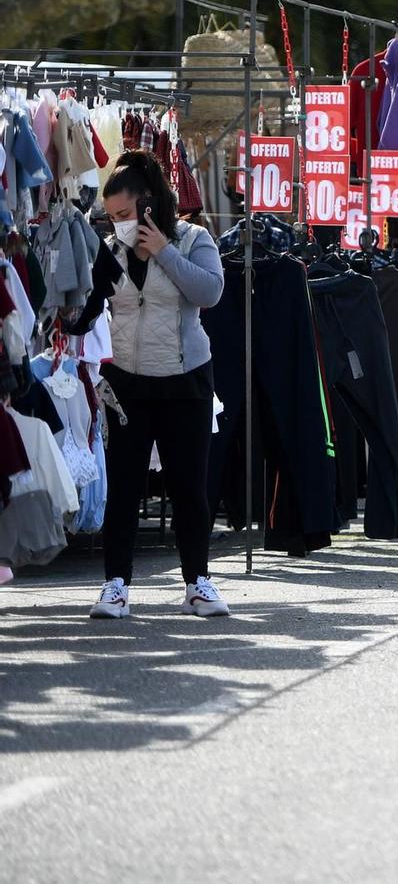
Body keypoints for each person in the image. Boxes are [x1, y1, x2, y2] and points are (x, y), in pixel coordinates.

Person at [90, 151, 230, 620]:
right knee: (124, 487)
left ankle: (198, 582)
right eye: (113, 218)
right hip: (127, 381)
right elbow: (87, 308)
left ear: (148, 205)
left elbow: (210, 292)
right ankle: (116, 584)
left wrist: (163, 250)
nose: (120, 225)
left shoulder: (194, 239)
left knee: (190, 486)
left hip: (185, 377)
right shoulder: (110, 251)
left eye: (126, 215)